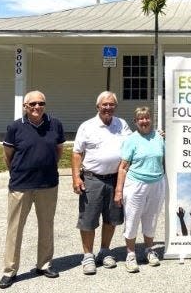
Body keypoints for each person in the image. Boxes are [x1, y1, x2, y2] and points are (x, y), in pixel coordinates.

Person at [0, 91, 65, 289]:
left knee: (46, 226)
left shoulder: (55, 125)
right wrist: (18, 173)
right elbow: (7, 156)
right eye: (33, 104)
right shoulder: (15, 127)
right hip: (21, 185)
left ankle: (44, 265)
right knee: (15, 230)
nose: (37, 107)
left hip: (48, 185)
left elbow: (58, 151)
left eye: (41, 103)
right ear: (25, 106)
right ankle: (9, 271)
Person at [72, 91, 131, 275]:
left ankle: (105, 251)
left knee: (111, 217)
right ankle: (88, 256)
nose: (108, 108)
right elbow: (76, 153)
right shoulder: (87, 126)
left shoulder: (122, 125)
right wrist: (75, 177)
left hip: (115, 179)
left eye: (111, 104)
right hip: (92, 178)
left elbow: (133, 144)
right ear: (98, 107)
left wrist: (155, 133)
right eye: (104, 104)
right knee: (88, 219)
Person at [114, 106, 166, 273]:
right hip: (136, 184)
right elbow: (122, 167)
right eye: (140, 119)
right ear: (135, 122)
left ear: (151, 119)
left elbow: (165, 159)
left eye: (147, 118)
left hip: (157, 183)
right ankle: (130, 253)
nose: (144, 121)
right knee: (133, 219)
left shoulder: (159, 137)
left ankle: (149, 249)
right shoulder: (131, 140)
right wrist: (119, 191)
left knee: (151, 219)